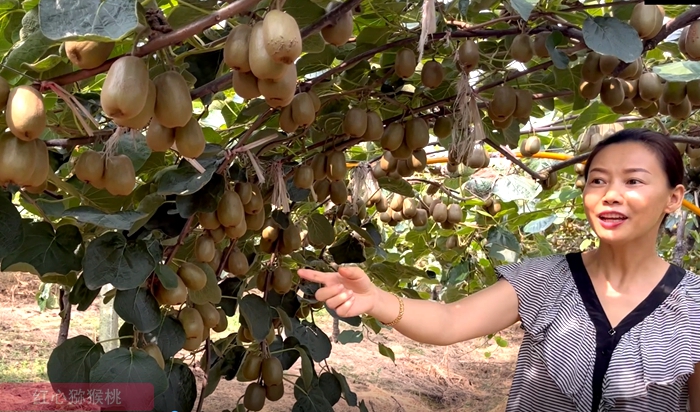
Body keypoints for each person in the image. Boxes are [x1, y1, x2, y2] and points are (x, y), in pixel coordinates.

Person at [297, 128, 700, 412]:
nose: (611, 194)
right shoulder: (545, 279)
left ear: (673, 198)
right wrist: (378, 300)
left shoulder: (694, 304)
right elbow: (450, 321)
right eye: (598, 180)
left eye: (634, 181)